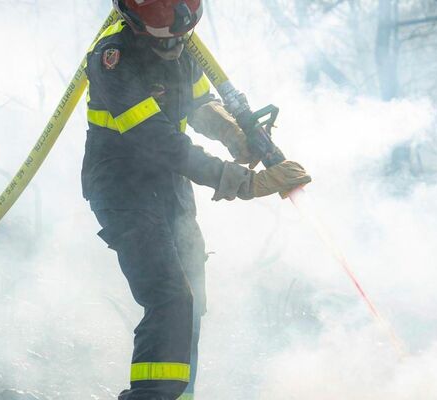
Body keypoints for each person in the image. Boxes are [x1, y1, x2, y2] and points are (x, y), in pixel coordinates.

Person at [82, 1, 312, 398]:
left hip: (171, 187)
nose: (175, 45)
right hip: (124, 189)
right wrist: (244, 182)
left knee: (191, 301)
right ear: (135, 22)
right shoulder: (113, 61)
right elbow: (159, 142)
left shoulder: (181, 44)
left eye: (180, 34)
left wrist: (231, 133)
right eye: (165, 35)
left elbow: (200, 102)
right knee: (170, 298)